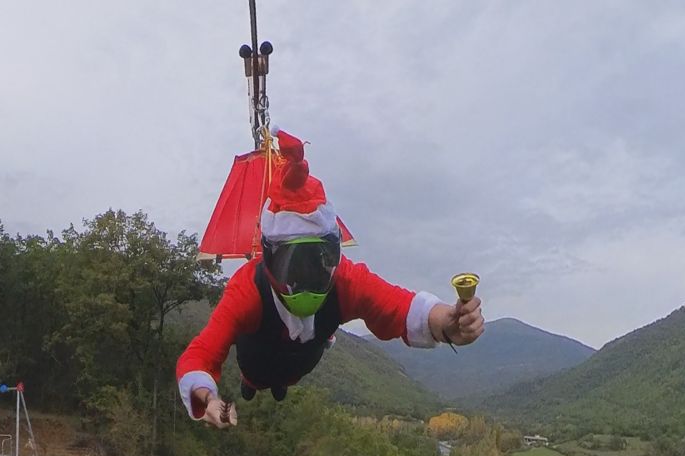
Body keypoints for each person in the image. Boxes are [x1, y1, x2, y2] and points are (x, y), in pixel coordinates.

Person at [177, 131, 484, 427]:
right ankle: (252, 383)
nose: (306, 277)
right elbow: (202, 352)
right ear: (269, 256)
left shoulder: (345, 280)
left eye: (319, 262)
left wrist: (447, 323)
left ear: (333, 254)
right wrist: (206, 397)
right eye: (293, 264)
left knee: (291, 366)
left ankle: (273, 382)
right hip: (258, 360)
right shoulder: (248, 289)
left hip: (297, 363)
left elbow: (400, 307)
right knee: (257, 373)